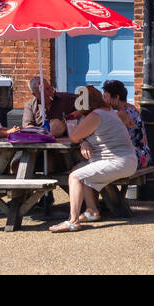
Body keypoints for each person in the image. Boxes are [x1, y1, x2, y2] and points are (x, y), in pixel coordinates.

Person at [51, 85, 138, 232]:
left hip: (117, 162)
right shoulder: (108, 112)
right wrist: (84, 141)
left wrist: (81, 138)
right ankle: (92, 211)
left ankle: (73, 221)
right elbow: (85, 136)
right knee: (79, 169)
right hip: (126, 160)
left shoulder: (95, 116)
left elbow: (73, 136)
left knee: (75, 177)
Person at [102, 79, 150, 169]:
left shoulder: (121, 114)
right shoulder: (132, 108)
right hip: (144, 156)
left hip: (134, 158)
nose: (103, 100)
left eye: (105, 97)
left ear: (116, 97)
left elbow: (108, 136)